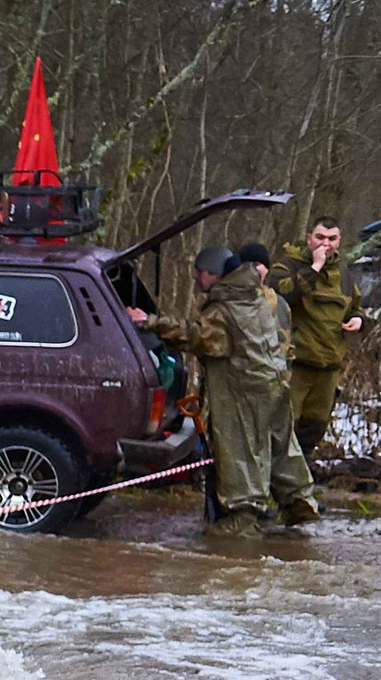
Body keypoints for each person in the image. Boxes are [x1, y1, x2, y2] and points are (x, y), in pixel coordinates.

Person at [128, 245, 312, 536]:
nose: (194, 278)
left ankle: (243, 517)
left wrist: (150, 322)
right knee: (280, 446)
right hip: (274, 383)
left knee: (240, 450)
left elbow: (198, 337)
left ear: (211, 274)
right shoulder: (254, 296)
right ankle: (299, 501)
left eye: (198, 273)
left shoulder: (225, 306)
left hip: (243, 389)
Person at [268, 215, 365, 478]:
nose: (326, 244)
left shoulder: (342, 273)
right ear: (309, 237)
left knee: (311, 433)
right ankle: (273, 491)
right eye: (320, 237)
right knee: (281, 433)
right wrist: (314, 268)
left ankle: (301, 489)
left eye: (332, 239)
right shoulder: (288, 264)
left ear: (339, 241)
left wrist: (358, 319)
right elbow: (279, 296)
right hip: (295, 365)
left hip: (328, 367)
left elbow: (354, 306)